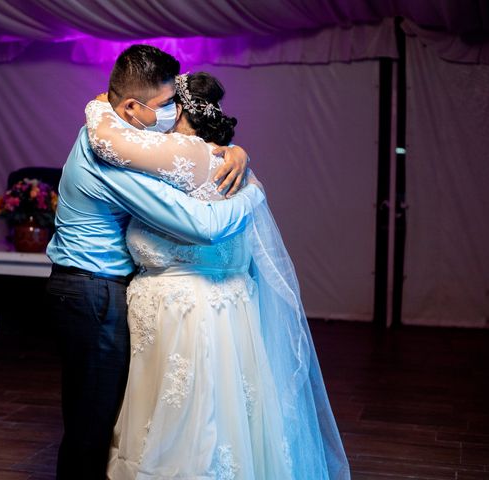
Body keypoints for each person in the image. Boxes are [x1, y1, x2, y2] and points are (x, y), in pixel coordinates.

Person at [84, 72, 350, 478]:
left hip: (180, 316)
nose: (161, 110)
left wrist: (100, 103)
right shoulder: (225, 160)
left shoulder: (177, 154)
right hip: (230, 312)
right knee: (225, 421)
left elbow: (107, 142)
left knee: (185, 427)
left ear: (180, 111)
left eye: (167, 102)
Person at [45, 46, 263, 480]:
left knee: (93, 421)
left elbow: (178, 157)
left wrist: (234, 151)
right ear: (130, 106)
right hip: (94, 292)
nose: (170, 116)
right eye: (165, 106)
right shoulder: (111, 161)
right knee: (90, 426)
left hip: (90, 289)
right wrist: (254, 190)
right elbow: (196, 224)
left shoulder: (110, 129)